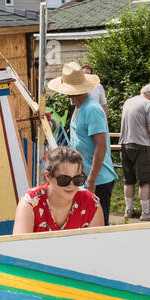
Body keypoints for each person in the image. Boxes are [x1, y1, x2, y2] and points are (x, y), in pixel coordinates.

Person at [48, 62, 117, 224]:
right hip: (83, 179)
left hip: (98, 180)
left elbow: (101, 146)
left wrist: (91, 180)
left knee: (98, 226)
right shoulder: (79, 107)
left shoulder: (92, 109)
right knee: (83, 224)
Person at [12, 146, 104, 234]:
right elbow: (20, 247)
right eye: (64, 179)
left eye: (77, 179)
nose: (71, 185)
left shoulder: (91, 203)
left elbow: (96, 247)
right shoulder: (30, 203)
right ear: (48, 176)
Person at [118, 83, 150, 221]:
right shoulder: (148, 104)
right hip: (140, 145)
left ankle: (129, 209)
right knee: (144, 181)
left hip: (125, 144)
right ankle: (146, 212)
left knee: (128, 180)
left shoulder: (129, 101)